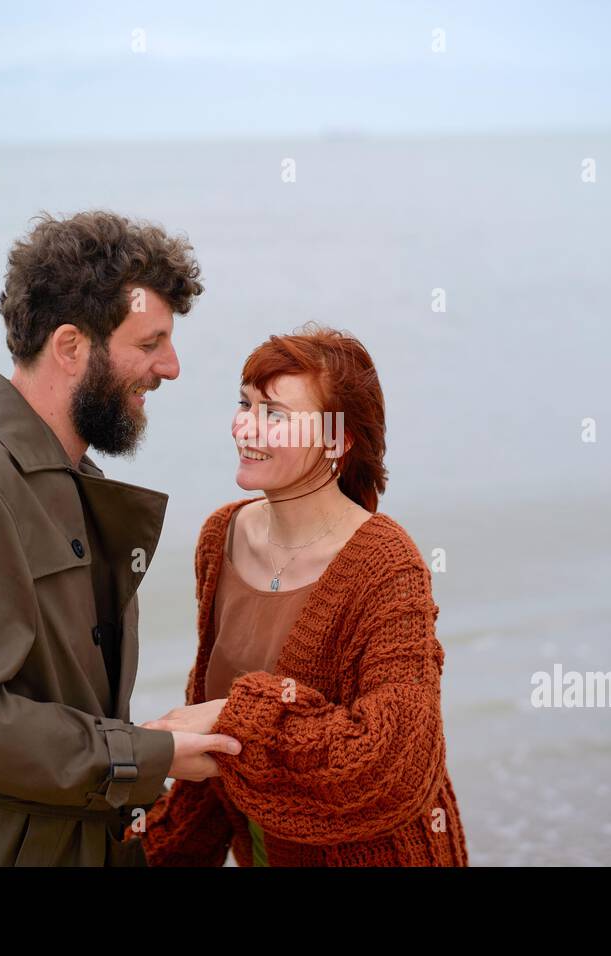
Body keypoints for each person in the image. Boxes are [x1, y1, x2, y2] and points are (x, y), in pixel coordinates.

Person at [0, 210, 240, 866]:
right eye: (149, 343)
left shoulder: (73, 482)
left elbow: (52, 705)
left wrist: (158, 743)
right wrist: (150, 756)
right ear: (70, 347)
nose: (171, 367)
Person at [137, 324, 469, 866]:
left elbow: (394, 763)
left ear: (337, 440)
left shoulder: (386, 564)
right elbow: (219, 753)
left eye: (275, 415)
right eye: (245, 405)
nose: (247, 428)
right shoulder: (222, 536)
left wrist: (230, 720)